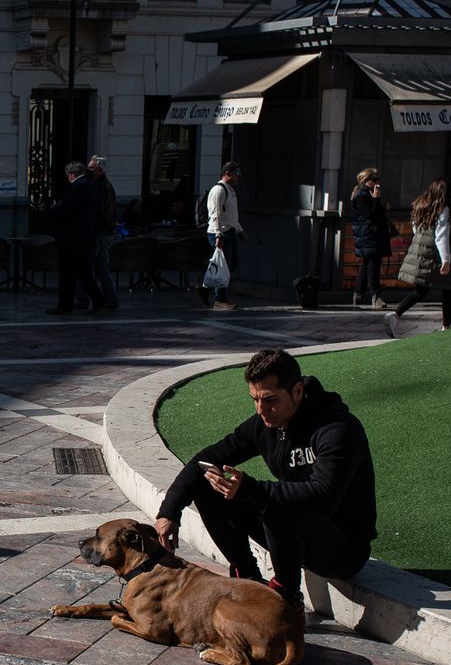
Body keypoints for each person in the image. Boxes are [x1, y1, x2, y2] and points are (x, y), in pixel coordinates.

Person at [154, 348, 377, 606]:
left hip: (342, 548)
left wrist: (251, 489)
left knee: (279, 508)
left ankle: (285, 596)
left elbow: (323, 497)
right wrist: (169, 511)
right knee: (209, 482)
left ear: (297, 392)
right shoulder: (265, 424)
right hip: (290, 533)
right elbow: (207, 457)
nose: (261, 409)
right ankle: (247, 576)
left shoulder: (337, 429)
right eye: (255, 400)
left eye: (270, 400)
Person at [385, 178, 451, 336]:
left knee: (421, 290)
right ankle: (446, 326)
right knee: (448, 289)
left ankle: (395, 315)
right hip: (435, 255)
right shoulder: (443, 209)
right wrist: (446, 260)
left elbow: (414, 227)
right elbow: (441, 235)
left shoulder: (421, 205)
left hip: (420, 251)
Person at [46, 160, 108, 315]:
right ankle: (98, 300)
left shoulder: (77, 187)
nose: (67, 178)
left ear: (71, 174)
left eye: (67, 175)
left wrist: (55, 208)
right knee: (83, 272)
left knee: (67, 273)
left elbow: (66, 209)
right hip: (85, 236)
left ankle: (65, 305)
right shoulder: (93, 186)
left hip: (71, 238)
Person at [200, 162, 245, 311]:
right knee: (223, 266)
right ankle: (219, 299)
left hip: (229, 231)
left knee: (232, 264)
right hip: (220, 233)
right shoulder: (218, 190)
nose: (238, 176)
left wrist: (239, 229)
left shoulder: (230, 190)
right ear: (227, 174)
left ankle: (205, 288)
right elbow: (215, 214)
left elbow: (231, 215)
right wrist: (219, 235)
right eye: (236, 173)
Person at [350, 167, 388, 309]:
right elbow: (371, 215)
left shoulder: (368, 195)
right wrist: (376, 200)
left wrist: (377, 201)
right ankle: (376, 296)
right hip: (368, 236)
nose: (377, 182)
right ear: (366, 181)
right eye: (374, 180)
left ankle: (358, 294)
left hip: (371, 235)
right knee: (373, 266)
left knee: (367, 265)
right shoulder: (361, 197)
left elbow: (379, 212)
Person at [86, 155, 120, 311]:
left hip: (99, 231)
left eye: (92, 168)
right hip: (103, 231)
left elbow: (100, 210)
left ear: (100, 170)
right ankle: (110, 299)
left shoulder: (101, 186)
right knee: (101, 267)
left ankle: (93, 299)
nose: (88, 170)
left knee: (89, 265)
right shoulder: (101, 184)